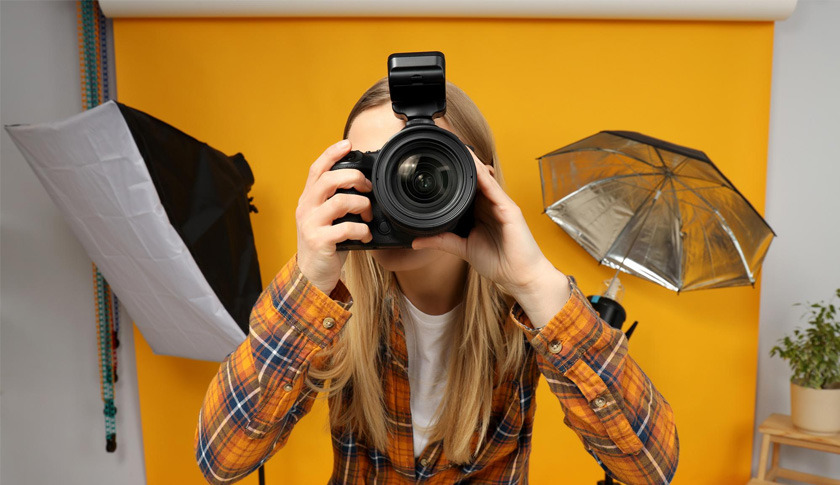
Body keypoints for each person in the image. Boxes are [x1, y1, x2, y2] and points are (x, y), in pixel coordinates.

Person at [195, 78, 679, 484]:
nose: (396, 191)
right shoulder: (328, 306)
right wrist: (309, 283)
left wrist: (536, 285)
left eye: (420, 166)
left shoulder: (529, 307)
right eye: (376, 170)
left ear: (479, 181)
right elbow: (221, 461)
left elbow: (650, 469)